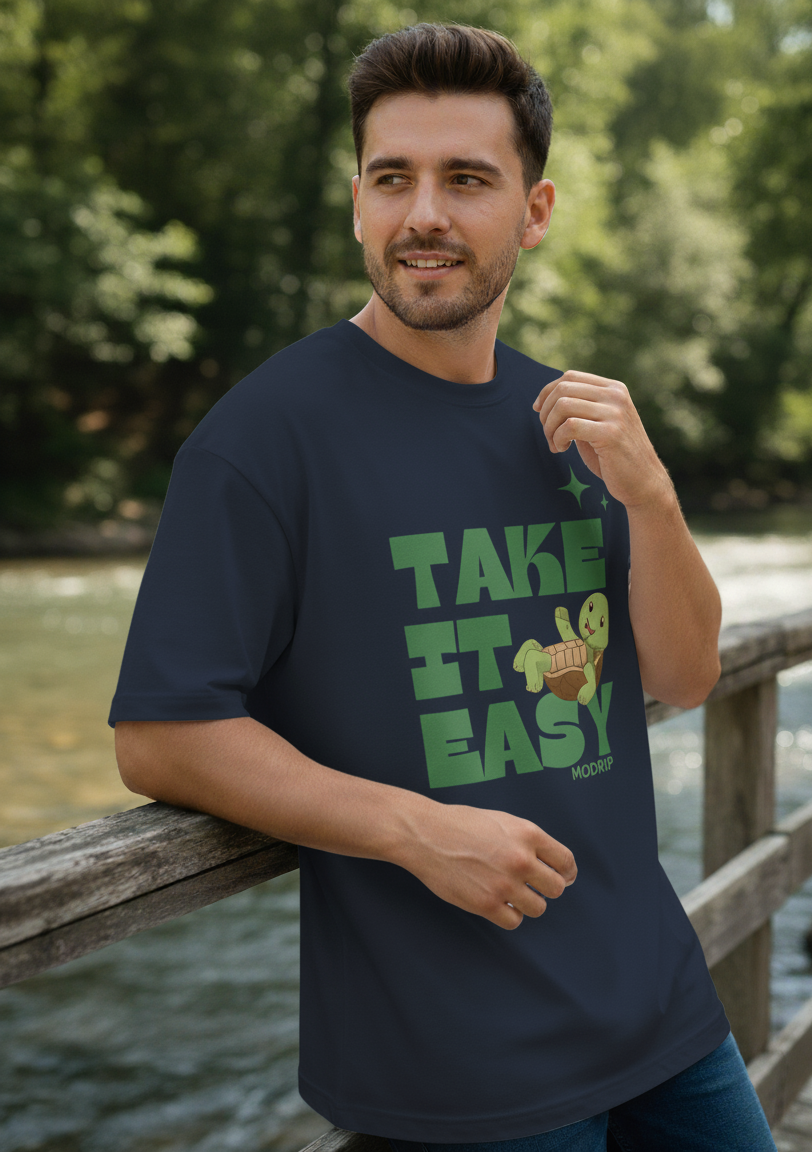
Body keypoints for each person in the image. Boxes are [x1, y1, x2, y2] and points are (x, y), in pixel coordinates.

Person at [110, 23, 776, 1152]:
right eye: (392, 179)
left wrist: (651, 497)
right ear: (359, 202)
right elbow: (163, 734)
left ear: (533, 210)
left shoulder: (570, 424)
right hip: (460, 1068)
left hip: (661, 1008)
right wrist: (412, 829)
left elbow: (682, 669)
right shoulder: (265, 439)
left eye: (465, 179)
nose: (423, 213)